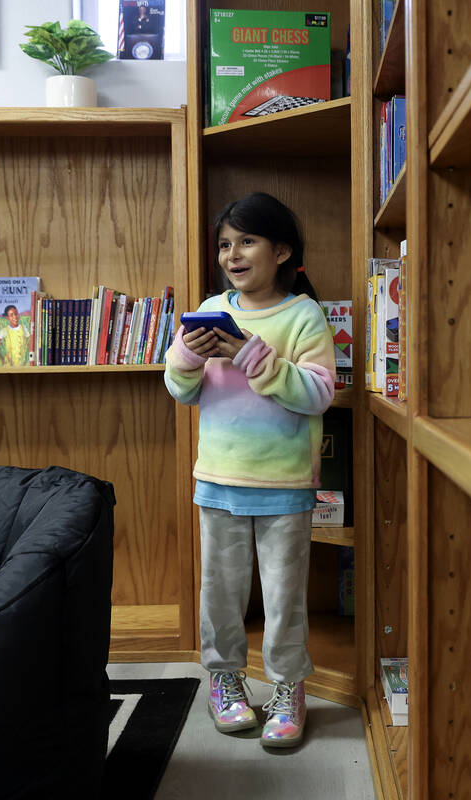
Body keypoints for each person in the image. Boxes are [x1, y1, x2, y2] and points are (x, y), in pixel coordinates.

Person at [164, 192, 335, 749]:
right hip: (217, 480)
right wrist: (188, 356)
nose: (232, 254)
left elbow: (318, 394)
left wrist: (250, 353)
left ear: (282, 250)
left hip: (284, 485)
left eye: (246, 241)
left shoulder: (302, 314)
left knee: (285, 597)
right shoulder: (210, 311)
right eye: (224, 244)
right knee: (220, 592)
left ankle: (288, 689)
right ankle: (225, 680)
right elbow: (179, 389)